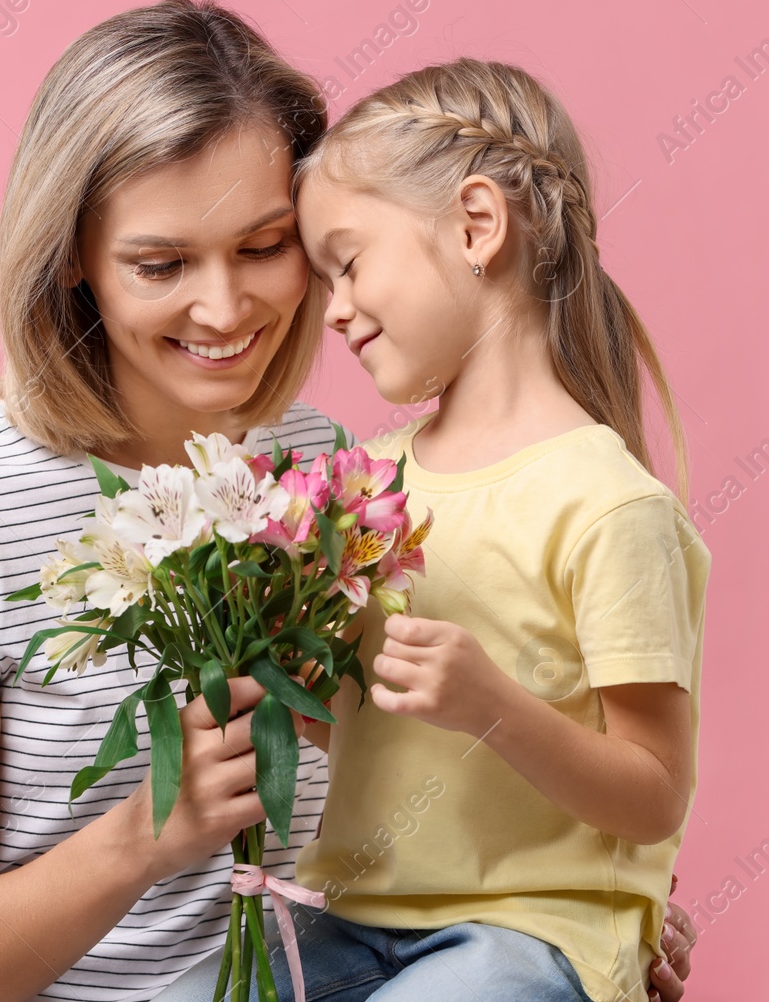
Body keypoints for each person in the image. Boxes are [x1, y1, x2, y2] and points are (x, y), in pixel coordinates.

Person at [0, 0, 698, 1002]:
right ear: (70, 256)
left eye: (263, 245)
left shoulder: (320, 472)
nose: (225, 308)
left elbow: (443, 762)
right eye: (160, 263)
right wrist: (141, 836)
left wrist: (577, 911)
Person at [161, 58, 709, 1002]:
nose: (330, 308)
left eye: (349, 261)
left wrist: (493, 703)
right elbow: (368, 723)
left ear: (475, 226)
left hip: (526, 934)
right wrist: (277, 700)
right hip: (351, 918)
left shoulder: (609, 505)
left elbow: (655, 789)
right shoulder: (369, 483)